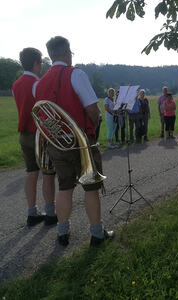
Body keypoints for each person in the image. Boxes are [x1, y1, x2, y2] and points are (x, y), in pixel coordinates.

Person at [35, 36, 114, 247]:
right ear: (67, 52)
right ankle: (97, 234)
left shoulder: (39, 83)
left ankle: (63, 233)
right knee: (90, 188)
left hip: (56, 144)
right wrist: (93, 131)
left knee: (65, 186)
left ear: (51, 56)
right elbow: (93, 111)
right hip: (80, 143)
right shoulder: (76, 74)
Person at [12, 47, 57, 227]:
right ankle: (50, 213)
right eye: (41, 63)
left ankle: (32, 212)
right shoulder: (36, 83)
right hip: (39, 135)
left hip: (24, 134)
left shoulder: (16, 84)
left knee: (31, 173)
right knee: (48, 173)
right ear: (36, 63)